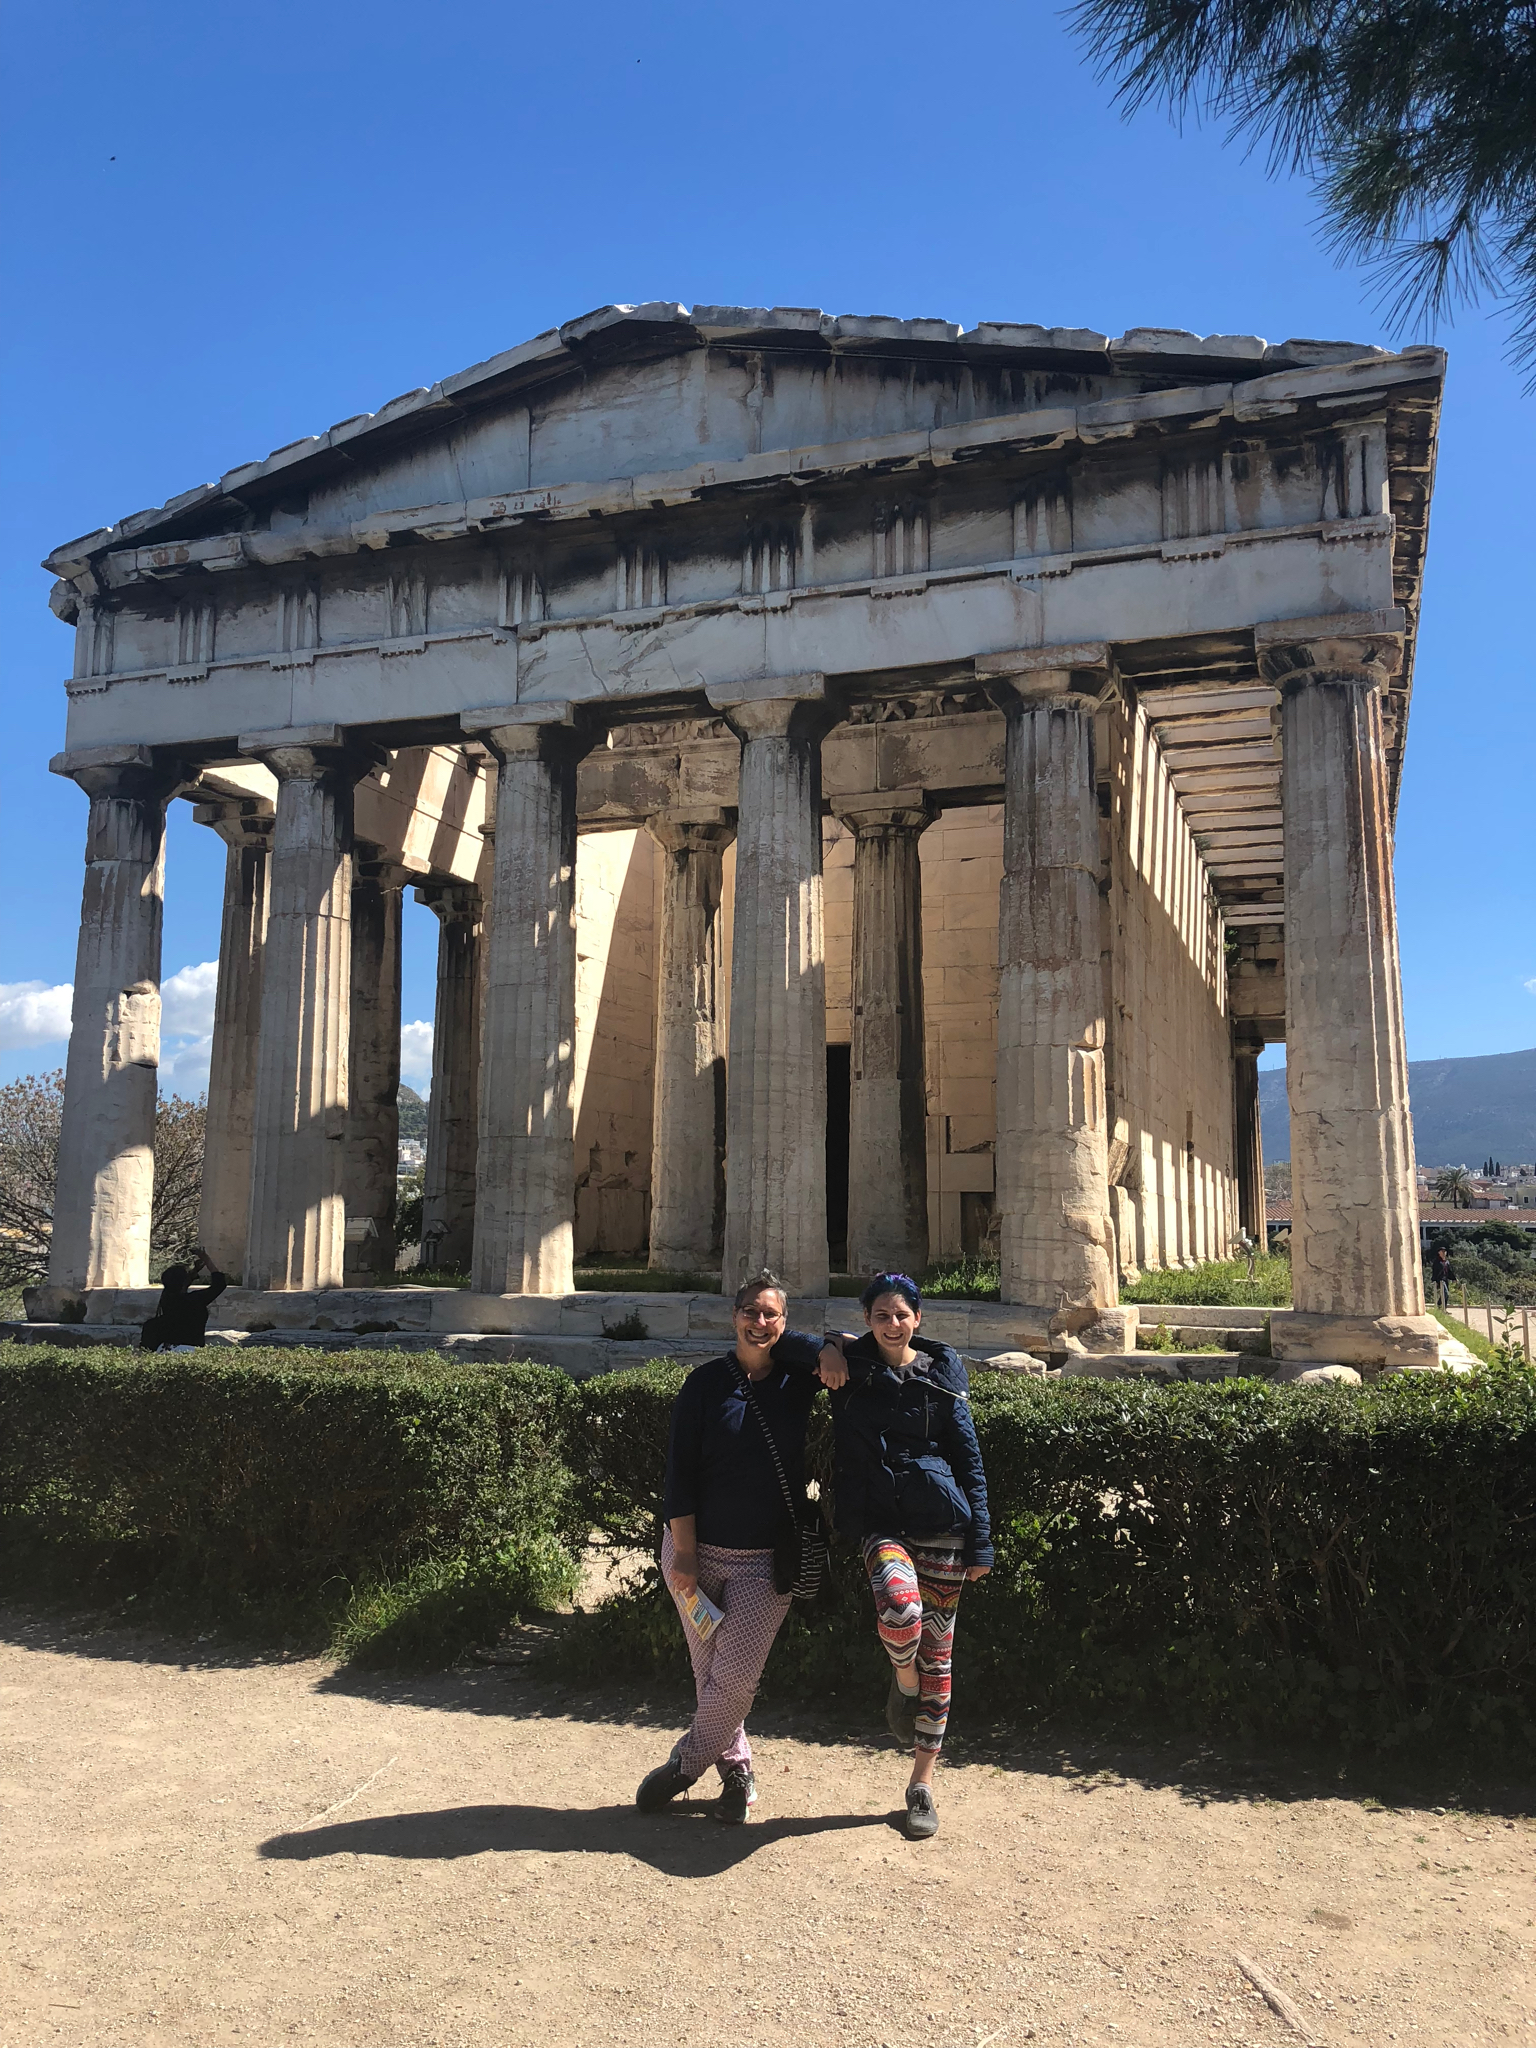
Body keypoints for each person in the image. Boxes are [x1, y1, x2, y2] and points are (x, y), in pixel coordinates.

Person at [637, 1271, 848, 1825]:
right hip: (693, 1555)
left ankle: (684, 1766)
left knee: (733, 1680)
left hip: (763, 1562)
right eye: (751, 1312)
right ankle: (738, 1773)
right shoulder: (704, 1385)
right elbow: (678, 1477)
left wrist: (819, 1345)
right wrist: (682, 1556)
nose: (759, 1323)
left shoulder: (798, 1381)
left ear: (785, 1321)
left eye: (771, 1315)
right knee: (708, 1677)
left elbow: (849, 1350)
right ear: (733, 1315)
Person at [830, 1270, 992, 1842]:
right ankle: (903, 1683)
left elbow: (967, 1456)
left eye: (902, 1314)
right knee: (901, 1613)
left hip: (944, 1524)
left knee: (940, 1658)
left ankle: (921, 1783)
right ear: (867, 1322)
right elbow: (779, 1339)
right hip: (882, 1522)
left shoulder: (943, 1371)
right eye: (880, 1316)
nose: (893, 1324)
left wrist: (983, 1539)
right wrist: (830, 1343)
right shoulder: (850, 1369)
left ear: (917, 1319)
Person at [139, 1249, 229, 1352]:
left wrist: (193, 1272)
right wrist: (206, 1259)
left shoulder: (167, 1301)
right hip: (191, 1350)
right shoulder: (195, 1300)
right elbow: (219, 1285)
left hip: (165, 1350)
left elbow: (176, 1286)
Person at [1431, 1242, 1453, 1309]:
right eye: (1442, 1251)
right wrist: (1434, 1280)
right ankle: (1439, 1305)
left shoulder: (1446, 1262)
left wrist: (1453, 1278)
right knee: (1445, 1293)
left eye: (1445, 1251)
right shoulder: (1437, 1262)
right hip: (1440, 1280)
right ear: (1439, 1253)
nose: (1444, 1253)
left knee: (1446, 1294)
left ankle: (1443, 1308)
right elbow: (1434, 1271)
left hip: (1445, 1279)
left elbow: (1449, 1271)